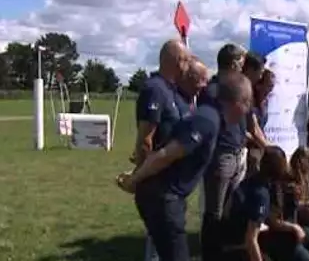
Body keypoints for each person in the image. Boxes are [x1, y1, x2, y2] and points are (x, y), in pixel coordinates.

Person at [116, 73, 254, 261]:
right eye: (248, 103)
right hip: (162, 198)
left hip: (167, 197)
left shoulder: (213, 118)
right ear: (239, 103)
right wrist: (134, 180)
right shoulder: (208, 121)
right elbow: (166, 154)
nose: (248, 110)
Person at [129, 39, 190, 261]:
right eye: (185, 59)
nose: (188, 65)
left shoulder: (172, 91)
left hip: (172, 184)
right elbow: (146, 139)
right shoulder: (155, 89)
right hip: (159, 187)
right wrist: (145, 175)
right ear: (175, 61)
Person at [200, 43, 251, 260]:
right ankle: (211, 255)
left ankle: (226, 251)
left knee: (231, 208)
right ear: (232, 63)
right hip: (221, 156)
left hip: (238, 153)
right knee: (215, 211)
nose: (243, 66)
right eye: (241, 61)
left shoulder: (235, 87)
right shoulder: (214, 90)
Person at [219, 146, 309, 261]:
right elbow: (251, 239)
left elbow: (267, 219)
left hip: (230, 241)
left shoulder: (253, 180)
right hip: (236, 248)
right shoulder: (261, 194)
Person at [247, 69, 276, 176]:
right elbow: (251, 129)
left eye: (272, 86)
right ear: (259, 85)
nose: (271, 89)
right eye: (269, 85)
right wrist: (266, 146)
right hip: (249, 145)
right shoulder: (250, 103)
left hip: (259, 143)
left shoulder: (265, 102)